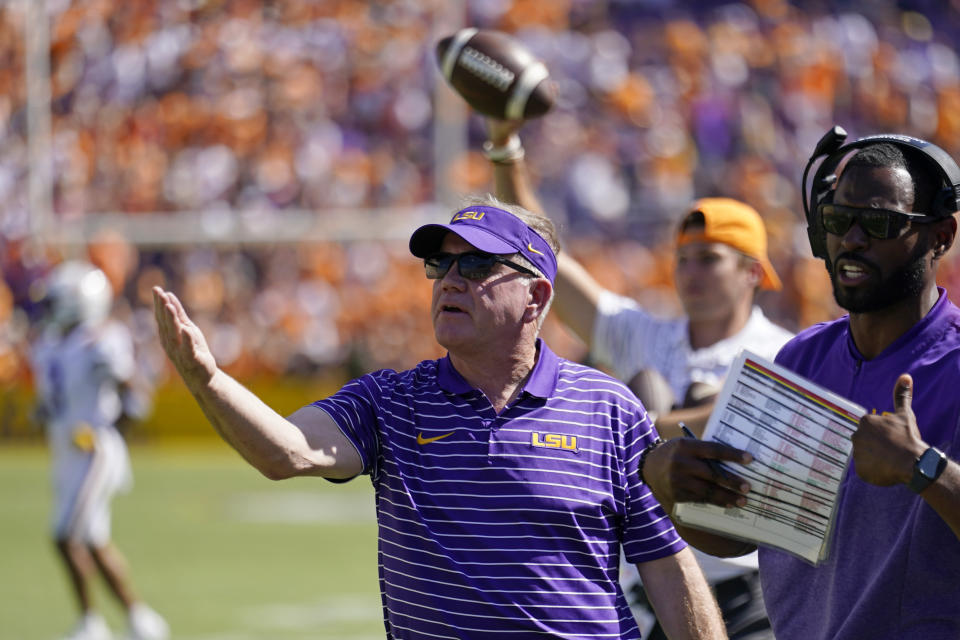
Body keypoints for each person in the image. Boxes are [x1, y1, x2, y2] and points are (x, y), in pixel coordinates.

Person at [153, 195, 727, 639]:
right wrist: (208, 380)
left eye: (476, 265)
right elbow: (287, 450)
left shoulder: (608, 409)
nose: (451, 279)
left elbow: (668, 569)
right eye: (440, 264)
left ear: (536, 295)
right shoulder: (391, 401)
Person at [482, 119, 792, 639]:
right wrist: (505, 150)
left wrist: (640, 428)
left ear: (753, 272)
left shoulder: (781, 350)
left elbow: (732, 411)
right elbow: (548, 260)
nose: (689, 272)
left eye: (709, 259)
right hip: (659, 593)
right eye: (683, 259)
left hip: (749, 592)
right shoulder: (647, 335)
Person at [643, 134, 960, 639]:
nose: (851, 239)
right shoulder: (800, 359)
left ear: (941, 236)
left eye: (878, 223)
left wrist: (923, 469)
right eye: (836, 220)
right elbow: (748, 531)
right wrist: (671, 486)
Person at [30, 261, 169, 640]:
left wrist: (109, 432)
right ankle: (142, 620)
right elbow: (51, 402)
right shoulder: (49, 344)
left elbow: (134, 395)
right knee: (91, 540)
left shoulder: (101, 341)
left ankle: (90, 624)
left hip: (94, 450)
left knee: (64, 534)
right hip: (64, 452)